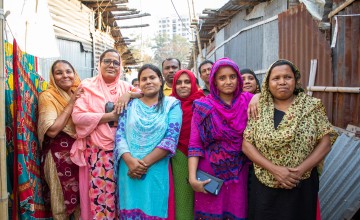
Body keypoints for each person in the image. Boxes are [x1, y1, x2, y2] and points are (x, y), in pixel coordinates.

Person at [242, 59, 337, 220]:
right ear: (267, 82)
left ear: (296, 80)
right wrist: (275, 170)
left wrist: (299, 171)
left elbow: (325, 142)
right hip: (264, 184)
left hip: (301, 183)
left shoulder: (312, 106)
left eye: (287, 77)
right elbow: (247, 144)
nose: (282, 82)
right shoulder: (259, 107)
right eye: (276, 78)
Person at [70, 49, 141, 219]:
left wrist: (130, 94)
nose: (111, 65)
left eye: (116, 62)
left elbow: (147, 93)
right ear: (99, 64)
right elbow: (78, 117)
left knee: (124, 196)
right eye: (107, 61)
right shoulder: (88, 86)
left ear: (120, 67)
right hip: (99, 151)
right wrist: (109, 116)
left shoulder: (125, 87)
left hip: (126, 152)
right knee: (103, 198)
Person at [114, 64, 182, 219]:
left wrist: (140, 165)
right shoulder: (129, 104)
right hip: (128, 169)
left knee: (154, 208)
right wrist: (130, 161)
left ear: (160, 80)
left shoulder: (171, 105)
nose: (148, 81)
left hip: (155, 170)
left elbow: (170, 140)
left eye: (152, 77)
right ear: (139, 84)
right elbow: (120, 135)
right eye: (143, 79)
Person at [188, 57, 253, 219]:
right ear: (214, 82)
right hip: (210, 174)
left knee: (237, 211)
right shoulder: (203, 106)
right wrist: (192, 177)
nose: (228, 81)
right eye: (222, 78)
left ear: (238, 79)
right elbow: (195, 144)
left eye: (232, 77)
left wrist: (257, 96)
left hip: (239, 173)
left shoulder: (249, 101)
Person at [38, 60, 83, 219]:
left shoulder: (80, 93)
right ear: (52, 76)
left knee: (82, 203)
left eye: (68, 71)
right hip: (58, 155)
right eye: (59, 72)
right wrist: (72, 103)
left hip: (80, 154)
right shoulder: (47, 96)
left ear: (74, 73)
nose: (65, 75)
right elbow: (52, 130)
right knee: (60, 205)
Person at [170, 69, 205, 219]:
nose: (183, 86)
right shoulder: (168, 104)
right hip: (178, 157)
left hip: (203, 157)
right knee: (182, 198)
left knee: (203, 199)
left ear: (194, 83)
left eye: (187, 82)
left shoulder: (203, 102)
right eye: (178, 82)